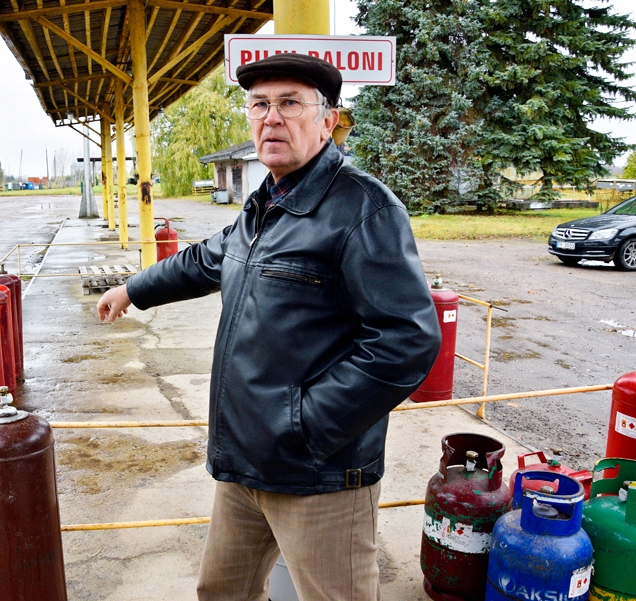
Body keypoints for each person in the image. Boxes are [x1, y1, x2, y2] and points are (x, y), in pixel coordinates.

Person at [96, 53, 441, 601]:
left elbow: (406, 340)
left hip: (317, 473)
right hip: (246, 466)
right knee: (221, 592)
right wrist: (133, 290)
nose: (271, 117)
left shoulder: (362, 207)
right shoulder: (264, 205)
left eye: (290, 104)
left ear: (328, 121)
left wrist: (303, 425)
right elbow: (207, 259)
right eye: (259, 104)